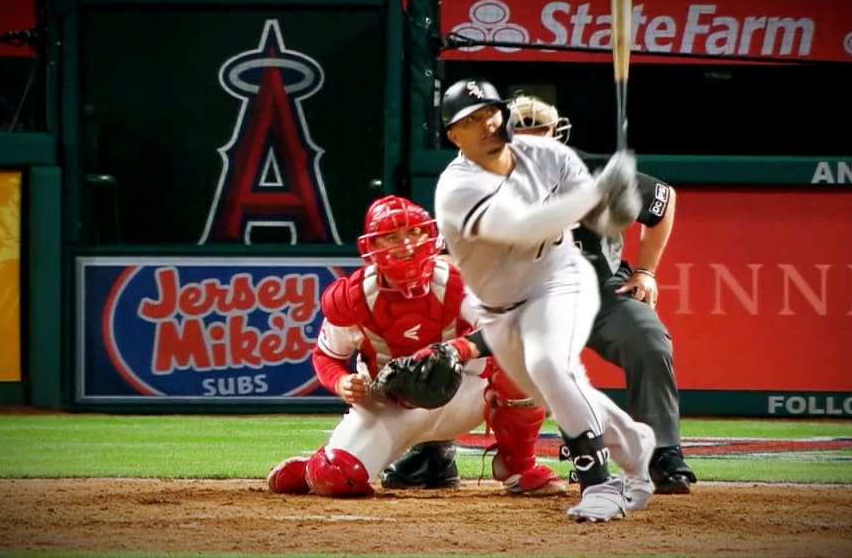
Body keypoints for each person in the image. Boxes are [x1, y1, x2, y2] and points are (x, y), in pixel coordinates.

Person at [432, 77, 656, 523]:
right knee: (563, 390)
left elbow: (599, 220)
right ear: (453, 135)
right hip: (498, 308)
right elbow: (523, 226)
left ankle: (600, 486)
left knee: (549, 365)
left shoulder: (550, 155)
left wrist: (617, 204)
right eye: (472, 120)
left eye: (492, 111)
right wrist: (598, 190)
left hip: (558, 281)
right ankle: (633, 442)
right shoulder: (456, 188)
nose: (488, 123)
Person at [266, 194, 564, 497]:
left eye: (414, 233)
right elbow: (325, 356)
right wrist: (341, 382)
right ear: (371, 246)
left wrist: (457, 350)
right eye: (391, 237)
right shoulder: (352, 298)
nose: (406, 246)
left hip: (466, 391)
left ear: (430, 235)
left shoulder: (457, 280)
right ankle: (309, 470)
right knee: (336, 478)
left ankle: (518, 467)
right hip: (390, 403)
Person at [506, 94, 698, 495]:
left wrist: (645, 271)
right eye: (522, 134)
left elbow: (662, 202)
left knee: (647, 338)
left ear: (557, 133)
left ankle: (662, 452)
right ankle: (439, 451)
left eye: (539, 132)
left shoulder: (594, 172)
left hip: (600, 291)